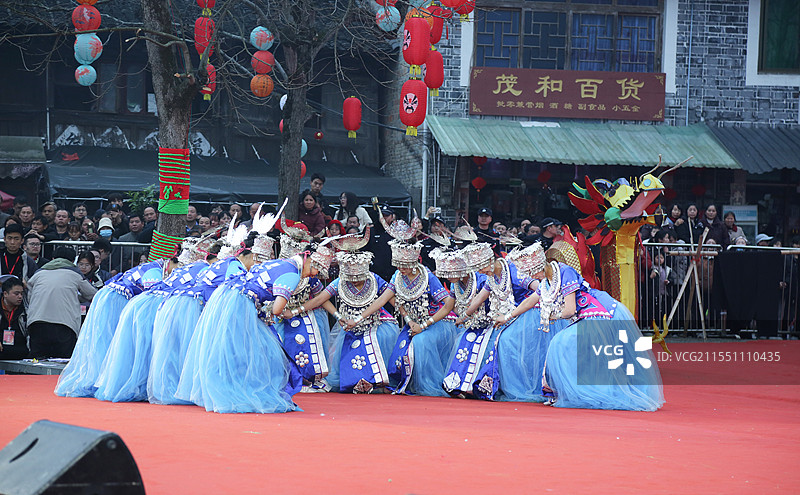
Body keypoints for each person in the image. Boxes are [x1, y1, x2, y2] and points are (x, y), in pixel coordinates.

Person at [178, 241, 331, 413]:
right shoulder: (292, 274)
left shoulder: (280, 263)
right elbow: (277, 309)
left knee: (235, 349)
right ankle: (241, 393)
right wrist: (289, 312)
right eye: (316, 269)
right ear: (308, 259)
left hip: (230, 296)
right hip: (241, 303)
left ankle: (228, 390)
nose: (314, 274)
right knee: (256, 353)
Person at [542, 261, 665, 411]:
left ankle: (589, 391)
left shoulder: (565, 272)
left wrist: (552, 315)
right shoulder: (546, 282)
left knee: (563, 342)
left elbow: (570, 310)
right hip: (590, 314)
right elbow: (533, 299)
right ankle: (578, 390)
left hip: (599, 312)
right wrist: (514, 314)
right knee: (568, 345)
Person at [357, 238, 458, 396]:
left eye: (404, 265)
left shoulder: (427, 277)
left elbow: (448, 305)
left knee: (420, 342)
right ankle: (405, 384)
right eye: (398, 264)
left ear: (414, 262)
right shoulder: (398, 276)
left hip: (437, 322)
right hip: (413, 324)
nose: (401, 268)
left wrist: (424, 326)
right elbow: (382, 300)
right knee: (399, 353)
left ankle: (427, 384)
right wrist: (358, 318)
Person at [302, 237, 401, 394]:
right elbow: (320, 299)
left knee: (378, 339)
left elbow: (391, 299)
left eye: (358, 278)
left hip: (377, 323)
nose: (354, 281)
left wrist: (408, 318)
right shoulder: (341, 281)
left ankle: (377, 382)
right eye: (351, 278)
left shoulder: (374, 279)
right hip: (350, 326)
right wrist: (297, 310)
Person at [93, 255, 185, 403]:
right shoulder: (154, 272)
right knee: (122, 345)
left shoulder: (156, 268)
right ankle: (120, 382)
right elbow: (152, 300)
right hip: (117, 301)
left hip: (120, 299)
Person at [147, 240, 223, 405]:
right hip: (186, 306)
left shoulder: (183, 269)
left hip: (167, 303)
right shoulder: (205, 268)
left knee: (170, 347)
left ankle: (171, 386)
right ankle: (184, 388)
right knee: (185, 347)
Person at [432, 247, 493, 397]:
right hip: (470, 325)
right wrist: (426, 324)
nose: (448, 278)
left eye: (450, 273)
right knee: (463, 342)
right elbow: (448, 307)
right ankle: (460, 386)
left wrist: (464, 316)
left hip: (490, 323)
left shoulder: (481, 279)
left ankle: (477, 387)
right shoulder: (455, 284)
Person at [26, 247, 98, 358]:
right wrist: (76, 298)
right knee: (62, 362)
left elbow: (30, 297)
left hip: (37, 323)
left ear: (53, 258)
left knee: (36, 362)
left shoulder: (38, 274)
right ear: (73, 261)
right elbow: (93, 294)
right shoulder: (75, 274)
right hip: (65, 325)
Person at [0, 276, 28, 360]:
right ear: (5, 294)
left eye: (21, 293)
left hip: (22, 354)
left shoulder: (25, 310)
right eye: (16, 294)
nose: (20, 296)